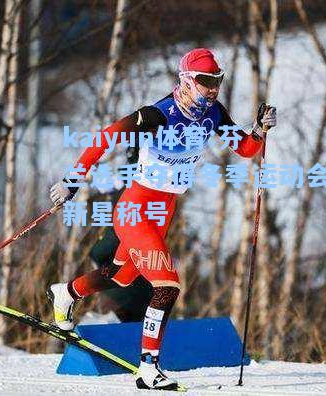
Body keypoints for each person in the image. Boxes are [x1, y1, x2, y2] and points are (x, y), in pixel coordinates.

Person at [47, 48, 276, 391]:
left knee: (123, 276)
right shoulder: (157, 114)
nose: (212, 88)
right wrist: (73, 180)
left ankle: (66, 292)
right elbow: (105, 137)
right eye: (205, 81)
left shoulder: (213, 113)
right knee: (167, 285)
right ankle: (148, 368)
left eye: (217, 81)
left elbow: (244, 148)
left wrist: (259, 129)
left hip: (161, 212)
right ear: (186, 81)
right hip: (134, 210)